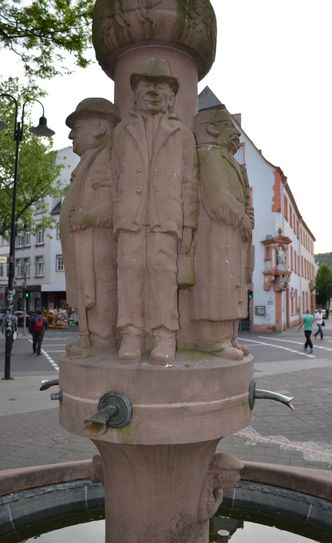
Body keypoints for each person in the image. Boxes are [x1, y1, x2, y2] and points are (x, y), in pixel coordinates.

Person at [111, 57, 198, 364]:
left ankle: (164, 335)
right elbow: (115, 176)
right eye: (146, 85)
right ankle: (131, 334)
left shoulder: (182, 133)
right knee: (129, 272)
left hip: (166, 217)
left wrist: (188, 227)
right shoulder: (122, 132)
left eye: (161, 86)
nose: (153, 91)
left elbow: (189, 183)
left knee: (163, 274)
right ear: (134, 93)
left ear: (172, 96)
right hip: (130, 216)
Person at [188, 106, 254, 359]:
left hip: (232, 234)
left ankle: (229, 337)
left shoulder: (227, 160)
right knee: (217, 284)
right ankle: (212, 341)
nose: (236, 136)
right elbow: (217, 197)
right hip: (216, 233)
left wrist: (247, 218)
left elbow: (241, 198)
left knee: (233, 285)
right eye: (231, 129)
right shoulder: (208, 155)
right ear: (212, 128)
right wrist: (241, 218)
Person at [61, 98, 120, 357]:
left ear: (99, 127)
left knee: (102, 288)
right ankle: (91, 339)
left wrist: (88, 217)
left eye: (78, 127)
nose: (72, 134)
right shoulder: (90, 159)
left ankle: (102, 340)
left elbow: (117, 204)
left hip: (99, 243)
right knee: (89, 288)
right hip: (84, 242)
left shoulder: (109, 158)